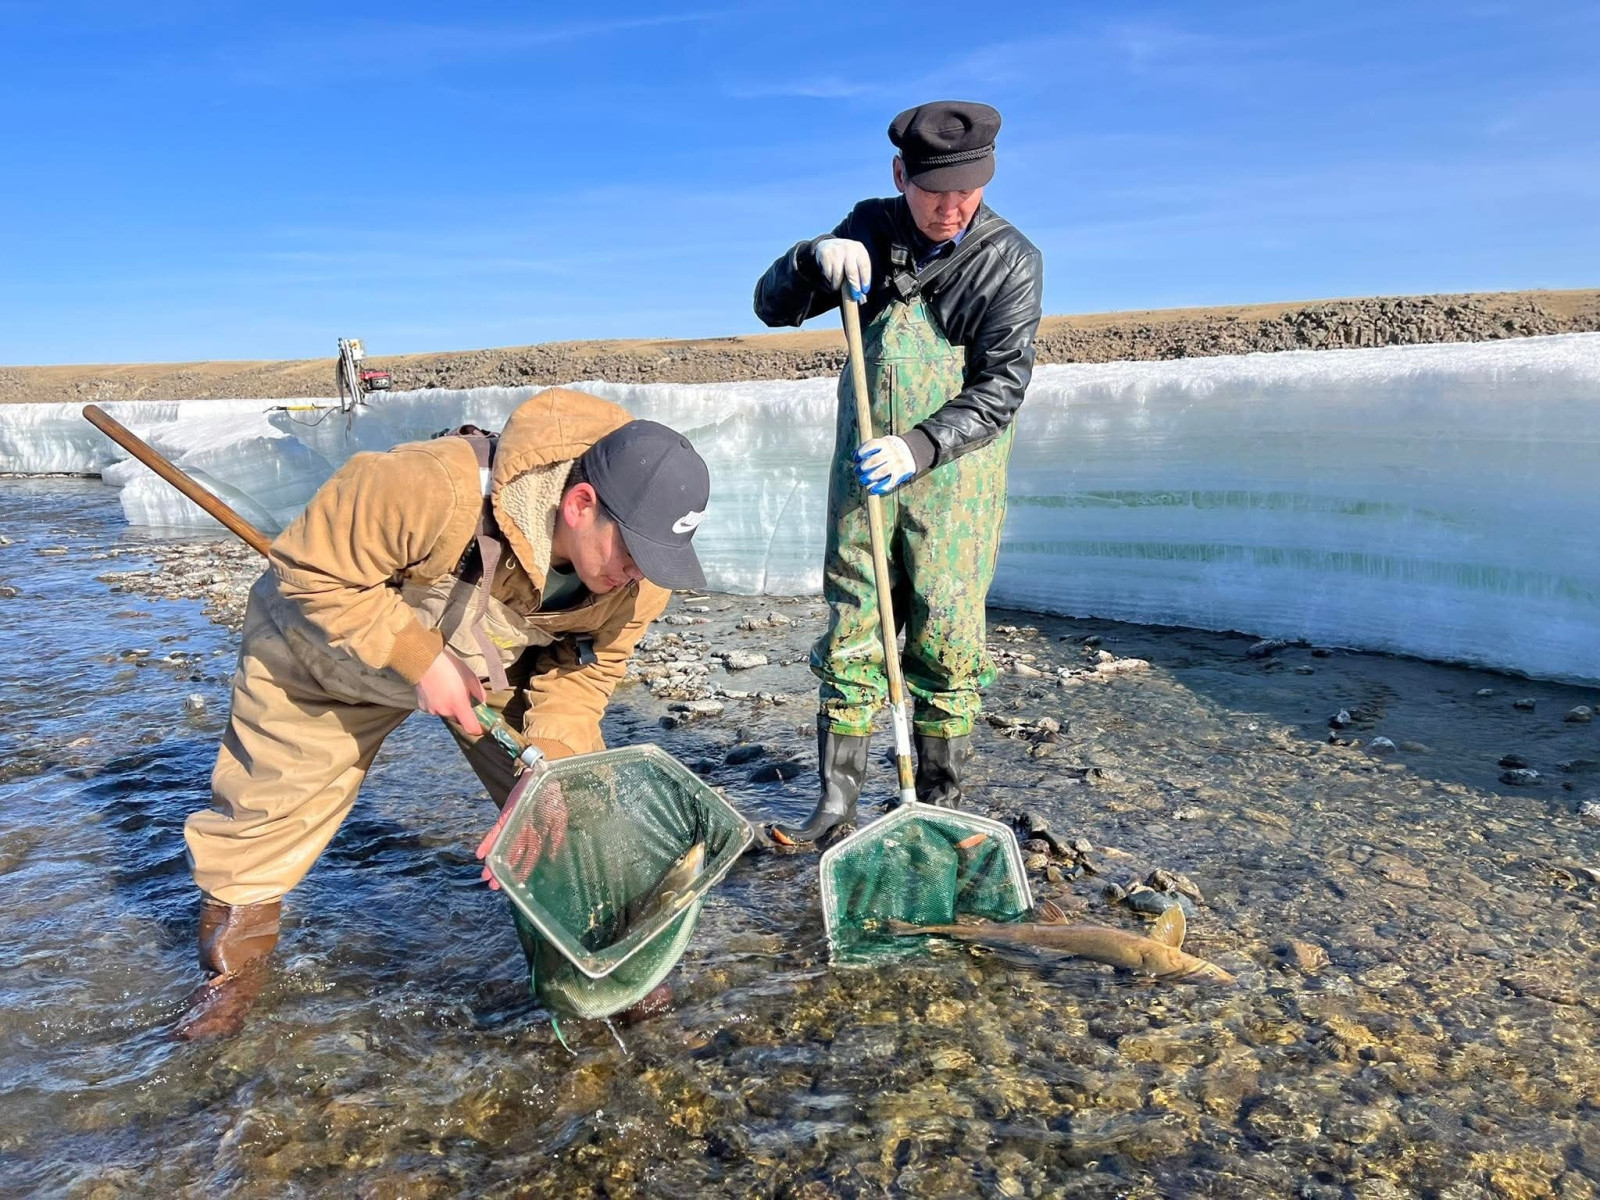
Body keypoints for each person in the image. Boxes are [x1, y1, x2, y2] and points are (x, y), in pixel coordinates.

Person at [176, 389, 711, 1039]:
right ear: (580, 505)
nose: (638, 577)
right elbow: (311, 572)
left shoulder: (641, 577)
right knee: (259, 825)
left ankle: (610, 972)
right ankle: (227, 990)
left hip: (492, 662)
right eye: (630, 555)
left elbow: (584, 673)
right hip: (326, 645)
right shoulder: (432, 485)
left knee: (573, 806)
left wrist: (549, 770)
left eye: (654, 561)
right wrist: (419, 659)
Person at [752, 99, 1044, 845]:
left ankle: (939, 797)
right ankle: (836, 802)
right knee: (855, 620)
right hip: (864, 476)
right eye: (933, 191)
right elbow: (772, 309)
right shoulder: (870, 227)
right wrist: (809, 259)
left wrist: (920, 445)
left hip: (954, 482)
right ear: (899, 175)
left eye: (967, 192)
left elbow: (1002, 386)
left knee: (945, 633)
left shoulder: (1010, 260)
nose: (951, 209)